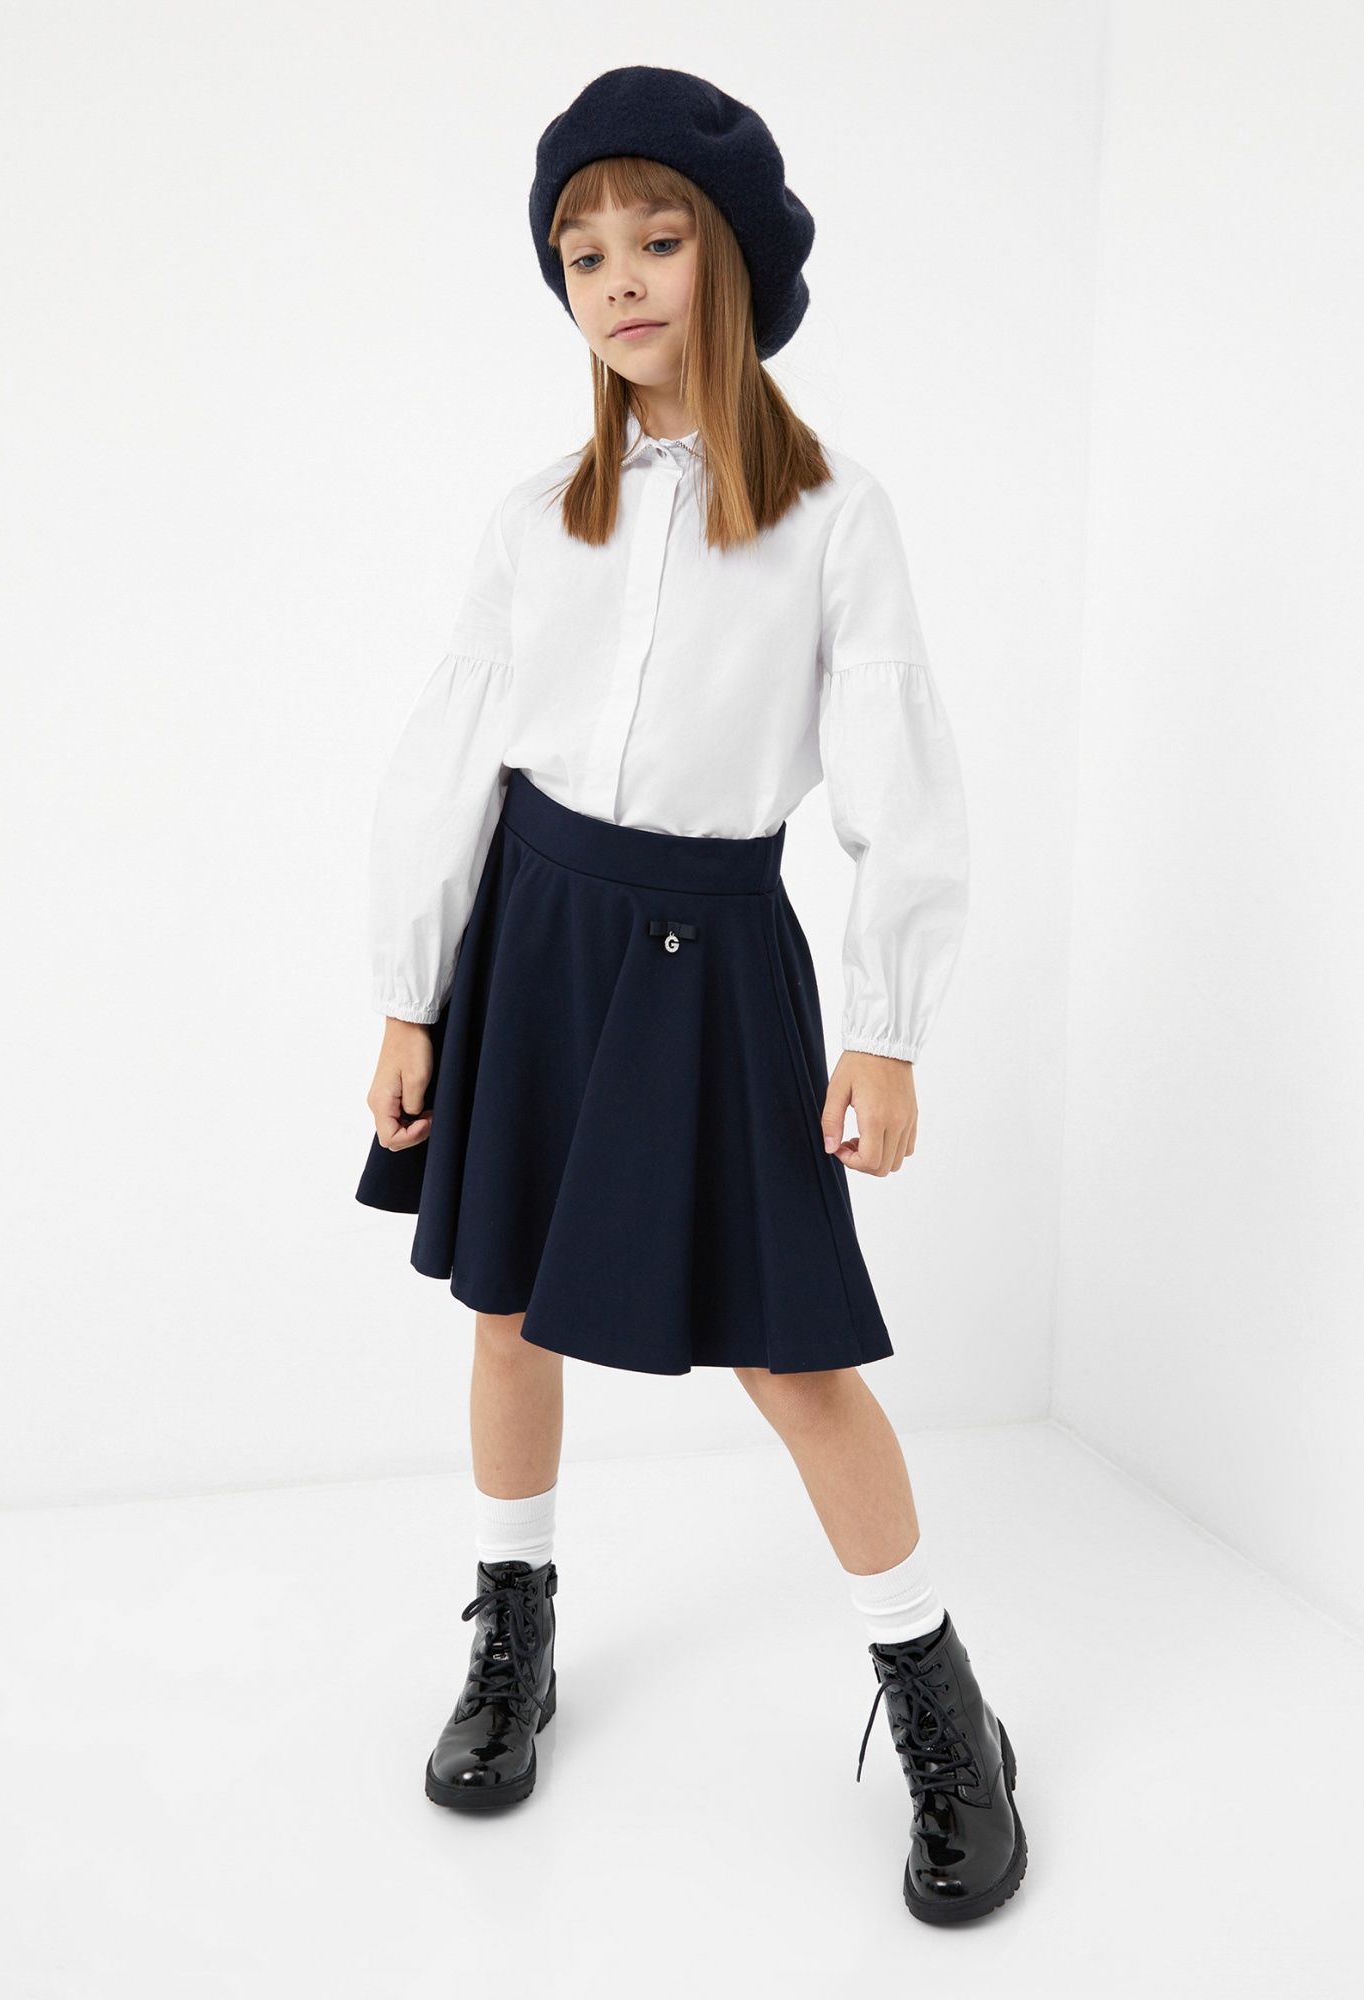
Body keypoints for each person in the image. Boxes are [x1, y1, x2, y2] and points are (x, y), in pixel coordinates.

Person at [355, 64, 1026, 1925]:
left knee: (792, 1356)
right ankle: (514, 1634)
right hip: (532, 934)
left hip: (716, 956)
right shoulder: (534, 518)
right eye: (584, 253)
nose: (620, 278)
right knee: (507, 1314)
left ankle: (942, 1706)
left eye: (656, 239)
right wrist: (410, 991)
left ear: (732, 260)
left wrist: (886, 1024)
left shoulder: (834, 515)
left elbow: (898, 773)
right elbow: (455, 753)